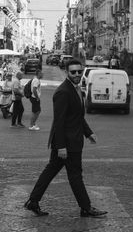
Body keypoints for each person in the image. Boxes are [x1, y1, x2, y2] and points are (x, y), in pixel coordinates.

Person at [24, 59, 106, 218]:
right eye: (73, 72)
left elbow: (77, 117)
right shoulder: (63, 91)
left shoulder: (76, 89)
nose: (76, 74)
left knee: (51, 171)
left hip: (71, 140)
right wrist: (61, 146)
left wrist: (88, 133)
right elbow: (59, 121)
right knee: (75, 175)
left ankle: (33, 201)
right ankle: (86, 207)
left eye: (79, 71)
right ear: (67, 73)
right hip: (67, 143)